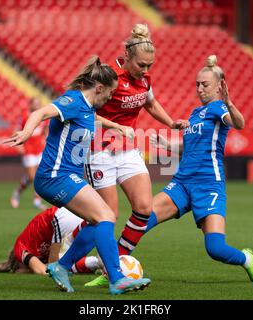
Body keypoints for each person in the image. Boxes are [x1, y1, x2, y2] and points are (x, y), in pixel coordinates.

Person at [4, 55, 151, 295]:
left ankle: (61, 267)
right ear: (100, 88)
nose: (111, 98)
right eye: (110, 93)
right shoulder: (73, 100)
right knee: (106, 215)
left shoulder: (87, 107)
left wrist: (118, 127)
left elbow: (92, 118)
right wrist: (26, 132)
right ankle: (116, 279)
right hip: (54, 176)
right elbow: (40, 113)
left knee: (99, 221)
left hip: (68, 176)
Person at [133, 55, 253, 283]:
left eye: (205, 85)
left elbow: (239, 124)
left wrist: (229, 103)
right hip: (182, 183)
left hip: (208, 185)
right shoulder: (195, 113)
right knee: (140, 221)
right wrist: (167, 145)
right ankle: (111, 271)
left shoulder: (219, 109)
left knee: (215, 248)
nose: (200, 89)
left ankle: (246, 259)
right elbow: (191, 148)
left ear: (219, 87)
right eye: (197, 85)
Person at [85, 24, 188, 286]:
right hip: (100, 151)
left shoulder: (144, 79)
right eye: (141, 65)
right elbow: (85, 110)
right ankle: (72, 257)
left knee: (143, 208)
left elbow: (150, 103)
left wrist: (170, 123)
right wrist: (115, 127)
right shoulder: (108, 76)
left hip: (128, 149)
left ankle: (113, 262)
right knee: (107, 215)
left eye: (149, 66)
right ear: (128, 57)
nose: (146, 70)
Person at [0, 206, 99, 275]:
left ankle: (99, 263)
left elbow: (41, 270)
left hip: (60, 219)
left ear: (17, 267)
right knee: (63, 264)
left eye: (18, 272)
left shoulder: (20, 249)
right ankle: (106, 265)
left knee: (56, 270)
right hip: (69, 215)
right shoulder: (28, 248)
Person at [10, 97, 48, 210]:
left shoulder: (43, 117)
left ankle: (36, 200)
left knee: (40, 175)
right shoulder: (24, 116)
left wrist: (46, 141)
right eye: (35, 103)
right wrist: (19, 145)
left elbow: (45, 131)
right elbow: (15, 131)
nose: (37, 105)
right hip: (29, 150)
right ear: (30, 105)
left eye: (38, 103)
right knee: (32, 177)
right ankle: (17, 192)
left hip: (40, 149)